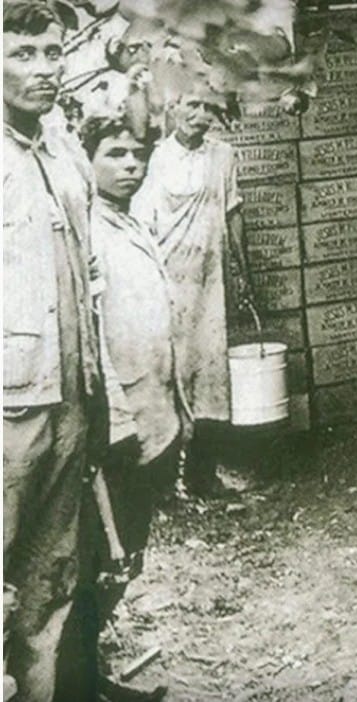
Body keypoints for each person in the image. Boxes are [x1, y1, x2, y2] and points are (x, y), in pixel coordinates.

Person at [3, 2, 106, 699]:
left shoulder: (63, 150)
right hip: (8, 408)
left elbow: (90, 271)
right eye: (23, 53)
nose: (44, 68)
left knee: (49, 575)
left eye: (52, 52)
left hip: (70, 395)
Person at [79, 115, 187, 702]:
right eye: (115, 154)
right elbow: (92, 339)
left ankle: (87, 672)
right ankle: (78, 681)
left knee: (129, 552)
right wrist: (114, 419)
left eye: (138, 154)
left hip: (154, 413)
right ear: (86, 159)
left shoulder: (130, 220)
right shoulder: (86, 232)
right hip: (116, 425)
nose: (131, 165)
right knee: (102, 557)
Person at [132, 86, 251, 498]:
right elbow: (140, 226)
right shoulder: (154, 158)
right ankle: (163, 480)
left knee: (209, 373)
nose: (200, 115)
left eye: (208, 107)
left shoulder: (223, 155)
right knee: (168, 372)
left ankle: (202, 474)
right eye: (192, 104)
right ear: (173, 105)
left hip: (209, 283)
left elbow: (233, 212)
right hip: (166, 282)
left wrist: (243, 273)